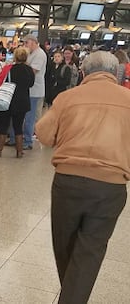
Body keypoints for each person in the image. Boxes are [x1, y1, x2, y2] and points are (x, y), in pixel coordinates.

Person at [35, 51, 130, 304]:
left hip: (68, 182)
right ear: (116, 72)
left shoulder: (68, 98)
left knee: (64, 249)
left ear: (84, 73)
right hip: (111, 187)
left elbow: (43, 135)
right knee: (90, 252)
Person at [0, 47, 35, 158]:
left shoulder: (8, 68)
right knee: (18, 127)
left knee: (3, 126)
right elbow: (31, 84)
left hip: (7, 100)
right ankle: (19, 152)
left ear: (15, 57)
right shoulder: (30, 70)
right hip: (22, 101)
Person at [10, 34, 46, 149]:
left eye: (26, 43)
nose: (25, 45)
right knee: (21, 116)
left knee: (30, 117)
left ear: (33, 42)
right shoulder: (31, 53)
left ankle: (27, 141)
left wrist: (20, 68)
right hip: (27, 90)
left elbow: (33, 71)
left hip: (35, 90)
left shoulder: (40, 54)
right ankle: (15, 138)